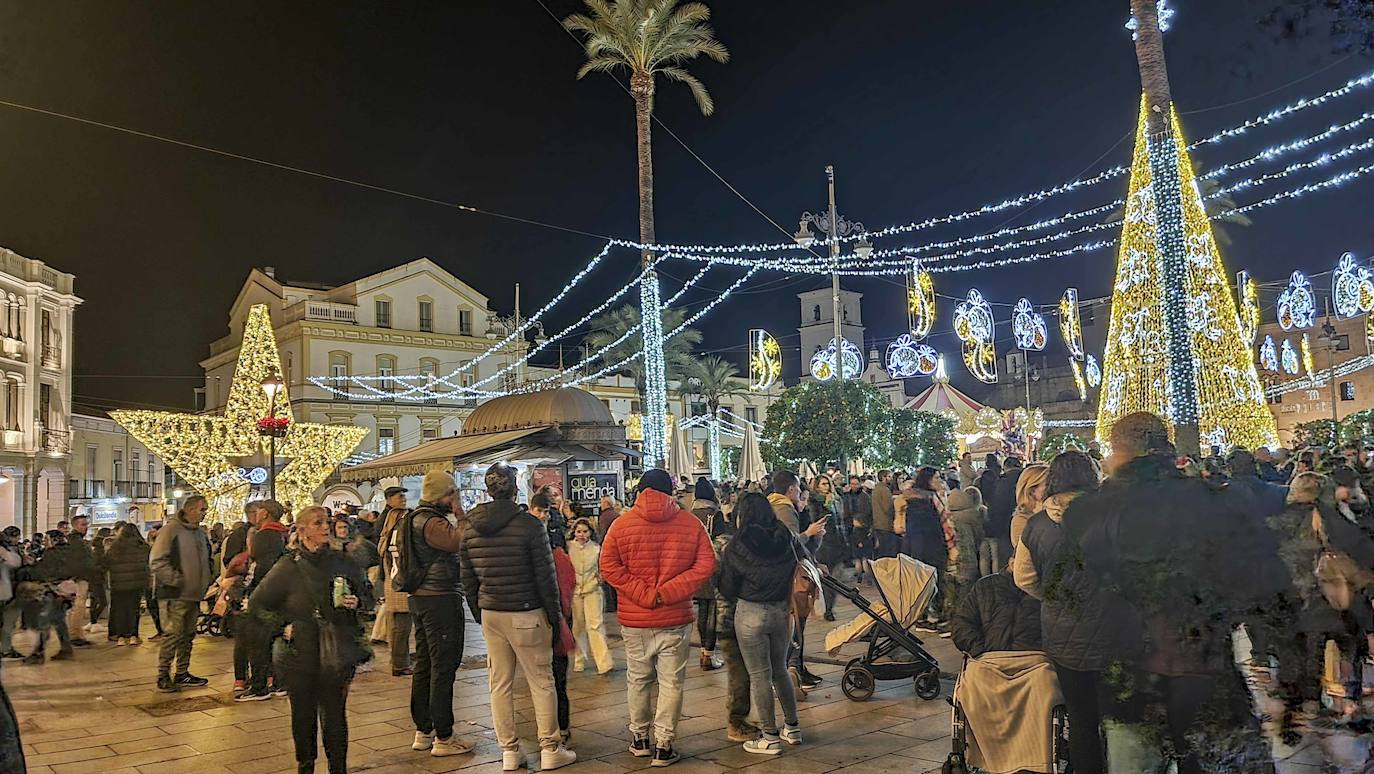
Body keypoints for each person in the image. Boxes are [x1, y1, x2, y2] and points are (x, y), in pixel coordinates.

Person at [460, 463, 576, 771]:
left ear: (487, 491)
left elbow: (468, 578)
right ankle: (550, 748)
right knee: (541, 681)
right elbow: (546, 577)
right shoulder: (529, 525)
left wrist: (480, 611)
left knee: (499, 683)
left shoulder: (470, 526)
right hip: (527, 610)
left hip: (492, 612)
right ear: (514, 490)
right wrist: (554, 617)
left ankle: (509, 751)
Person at [601, 468, 717, 767]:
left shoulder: (621, 525)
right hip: (675, 614)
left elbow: (609, 566)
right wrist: (669, 592)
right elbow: (706, 564)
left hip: (634, 618)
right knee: (671, 682)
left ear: (640, 491)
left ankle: (639, 738)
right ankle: (664, 745)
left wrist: (641, 593)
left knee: (638, 679)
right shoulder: (690, 524)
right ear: (670, 492)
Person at [248, 505, 371, 774]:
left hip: (335, 650)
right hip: (300, 654)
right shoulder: (288, 566)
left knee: (335, 714)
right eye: (317, 524)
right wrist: (283, 627)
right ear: (302, 530)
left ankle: (338, 768)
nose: (325, 528)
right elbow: (257, 605)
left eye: (326, 522)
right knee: (303, 716)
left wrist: (357, 601)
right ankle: (306, 766)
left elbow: (366, 593)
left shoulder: (341, 560)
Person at [1013, 450, 1109, 774]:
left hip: (1062, 635)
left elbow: (1023, 578)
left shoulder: (1036, 525)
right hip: (1111, 629)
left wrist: (1052, 597)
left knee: (1080, 718)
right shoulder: (1110, 515)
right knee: (1117, 716)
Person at [718, 492, 802, 755]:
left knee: (759, 676)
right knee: (779, 669)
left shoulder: (737, 544)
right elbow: (800, 561)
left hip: (751, 613)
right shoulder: (785, 536)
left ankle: (769, 736)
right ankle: (793, 728)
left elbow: (727, 587)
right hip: (781, 611)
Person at [404, 471, 475, 758]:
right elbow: (462, 541)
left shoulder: (413, 517)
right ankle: (444, 736)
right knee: (442, 667)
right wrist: (461, 514)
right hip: (438, 599)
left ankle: (424, 730)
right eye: (451, 494)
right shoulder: (431, 521)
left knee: (425, 665)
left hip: (422, 598)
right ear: (442, 495)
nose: (453, 500)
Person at [766, 471, 824, 693]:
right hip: (791, 575)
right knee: (796, 624)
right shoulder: (785, 510)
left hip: (779, 575)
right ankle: (793, 671)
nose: (800, 493)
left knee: (793, 624)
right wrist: (809, 533)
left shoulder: (772, 505)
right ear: (791, 489)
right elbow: (790, 545)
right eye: (798, 489)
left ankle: (797, 668)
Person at [149, 495, 214, 692]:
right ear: (191, 509)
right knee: (173, 634)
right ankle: (163, 673)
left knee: (188, 635)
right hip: (175, 594)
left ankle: (182, 672)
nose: (204, 514)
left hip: (194, 593)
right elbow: (157, 560)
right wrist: (177, 580)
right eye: (202, 510)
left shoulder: (200, 533)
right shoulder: (172, 530)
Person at [236, 500, 290, 701]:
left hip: (264, 595)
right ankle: (279, 682)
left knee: (257, 641)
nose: (255, 514)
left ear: (265, 513)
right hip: (281, 593)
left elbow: (260, 566)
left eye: (258, 511)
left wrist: (251, 591)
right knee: (275, 638)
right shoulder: (282, 534)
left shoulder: (265, 535)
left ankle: (259, 686)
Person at [950, 549, 1042, 658]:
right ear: (1012, 564)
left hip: (1034, 663)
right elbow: (961, 623)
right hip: (988, 660)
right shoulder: (985, 586)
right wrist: (979, 651)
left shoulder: (1046, 592)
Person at [899, 469, 950, 628]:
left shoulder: (912, 501)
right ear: (927, 480)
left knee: (923, 581)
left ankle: (922, 616)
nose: (939, 480)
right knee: (935, 580)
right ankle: (933, 617)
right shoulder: (929, 500)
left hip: (917, 547)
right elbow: (943, 524)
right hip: (932, 545)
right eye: (936, 477)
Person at [374, 485, 414, 675]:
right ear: (389, 499)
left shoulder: (389, 523)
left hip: (394, 578)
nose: (403, 499)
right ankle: (400, 664)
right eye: (399, 496)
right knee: (401, 624)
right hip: (398, 578)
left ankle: (400, 661)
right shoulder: (391, 523)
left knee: (399, 623)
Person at [567, 518, 613, 674]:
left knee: (595, 625)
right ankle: (579, 660)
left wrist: (601, 577)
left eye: (585, 531)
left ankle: (604, 663)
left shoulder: (597, 549)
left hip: (593, 590)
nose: (581, 535)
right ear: (574, 532)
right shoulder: (569, 548)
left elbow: (605, 567)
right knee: (578, 627)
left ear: (591, 532)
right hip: (575, 592)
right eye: (578, 531)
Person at [691, 478, 725, 670]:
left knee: (702, 610)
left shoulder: (690, 514)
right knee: (712, 610)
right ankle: (708, 655)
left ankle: (703, 651)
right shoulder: (714, 514)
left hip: (694, 567)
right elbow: (721, 542)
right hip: (712, 566)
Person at [811, 475, 851, 621]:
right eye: (823, 484)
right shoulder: (814, 502)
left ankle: (829, 607)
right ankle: (825, 608)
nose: (826, 486)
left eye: (828, 483)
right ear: (817, 486)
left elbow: (842, 520)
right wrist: (826, 507)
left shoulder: (837, 499)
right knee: (825, 579)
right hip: (824, 545)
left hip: (838, 543)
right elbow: (815, 521)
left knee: (836, 579)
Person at [102, 522, 150, 646]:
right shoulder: (143, 546)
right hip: (136, 583)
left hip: (118, 584)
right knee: (133, 609)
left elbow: (105, 563)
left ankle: (121, 637)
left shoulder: (115, 547)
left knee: (120, 610)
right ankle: (134, 635)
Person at [945, 486, 986, 612]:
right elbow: (978, 539)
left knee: (952, 593)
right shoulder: (974, 517)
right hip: (968, 561)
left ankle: (949, 619)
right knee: (965, 596)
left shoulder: (947, 519)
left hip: (951, 561)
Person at [987, 456, 1023, 569]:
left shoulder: (1002, 482)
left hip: (1004, 528)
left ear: (1005, 467)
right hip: (1026, 525)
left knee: (1007, 562)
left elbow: (996, 507)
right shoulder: (1026, 479)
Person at [63, 514, 94, 647]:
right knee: (78, 607)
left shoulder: (75, 540)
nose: (86, 527)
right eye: (83, 524)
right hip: (78, 578)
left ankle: (76, 633)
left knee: (77, 608)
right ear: (75, 526)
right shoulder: (76, 542)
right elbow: (78, 562)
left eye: (86, 524)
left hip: (79, 577)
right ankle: (75, 635)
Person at [1007, 463, 1049, 553]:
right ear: (1032, 490)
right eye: (1047, 484)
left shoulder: (1053, 510)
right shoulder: (1020, 520)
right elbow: (1027, 554)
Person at [869, 470, 897, 560]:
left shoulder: (876, 489)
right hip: (886, 524)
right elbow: (888, 508)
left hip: (878, 524)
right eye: (889, 476)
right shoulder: (884, 490)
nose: (891, 479)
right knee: (887, 552)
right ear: (884, 477)